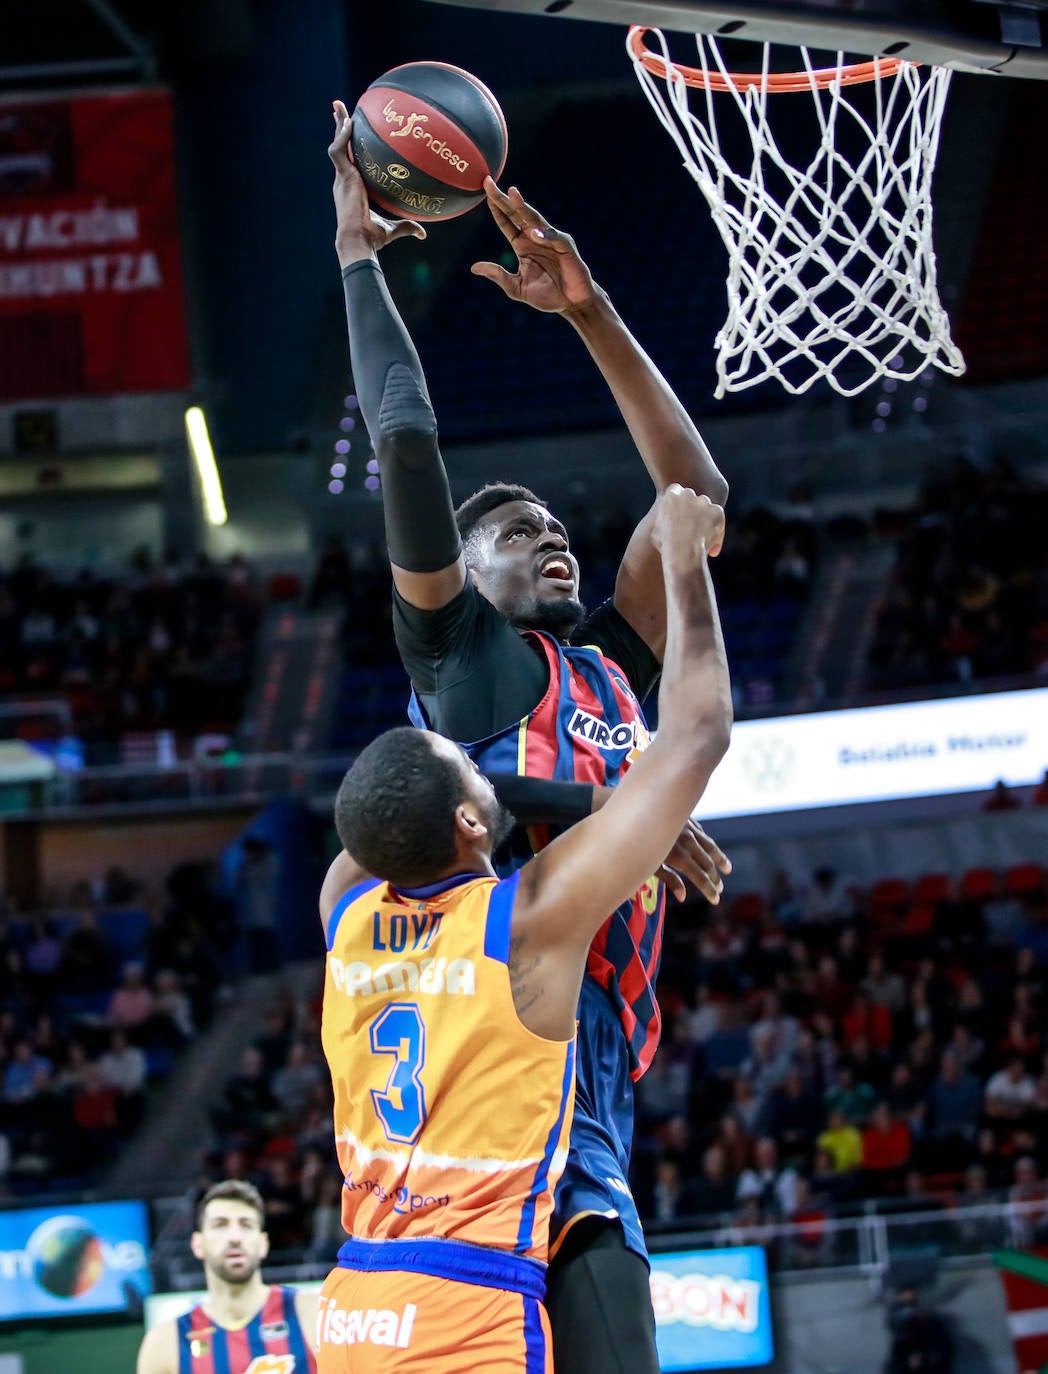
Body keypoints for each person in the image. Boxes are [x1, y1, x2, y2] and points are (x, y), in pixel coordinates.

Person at [329, 99, 730, 1374]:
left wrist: (589, 312)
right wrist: (359, 257)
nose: (546, 534)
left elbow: (690, 506)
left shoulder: (604, 666)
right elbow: (404, 440)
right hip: (511, 1023)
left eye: (554, 525)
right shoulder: (464, 666)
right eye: (513, 532)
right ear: (469, 575)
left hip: (598, 1032)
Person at [316, 485, 731, 1371]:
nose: (551, 538)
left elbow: (380, 822)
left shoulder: (346, 913)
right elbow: (697, 735)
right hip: (508, 1209)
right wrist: (690, 566)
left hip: (372, 1267)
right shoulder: (529, 920)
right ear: (471, 822)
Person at [136, 1178, 318, 1373]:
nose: (234, 1237)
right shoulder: (166, 1342)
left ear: (263, 1243)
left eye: (246, 1225)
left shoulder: (313, 1312)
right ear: (197, 1243)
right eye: (220, 1225)